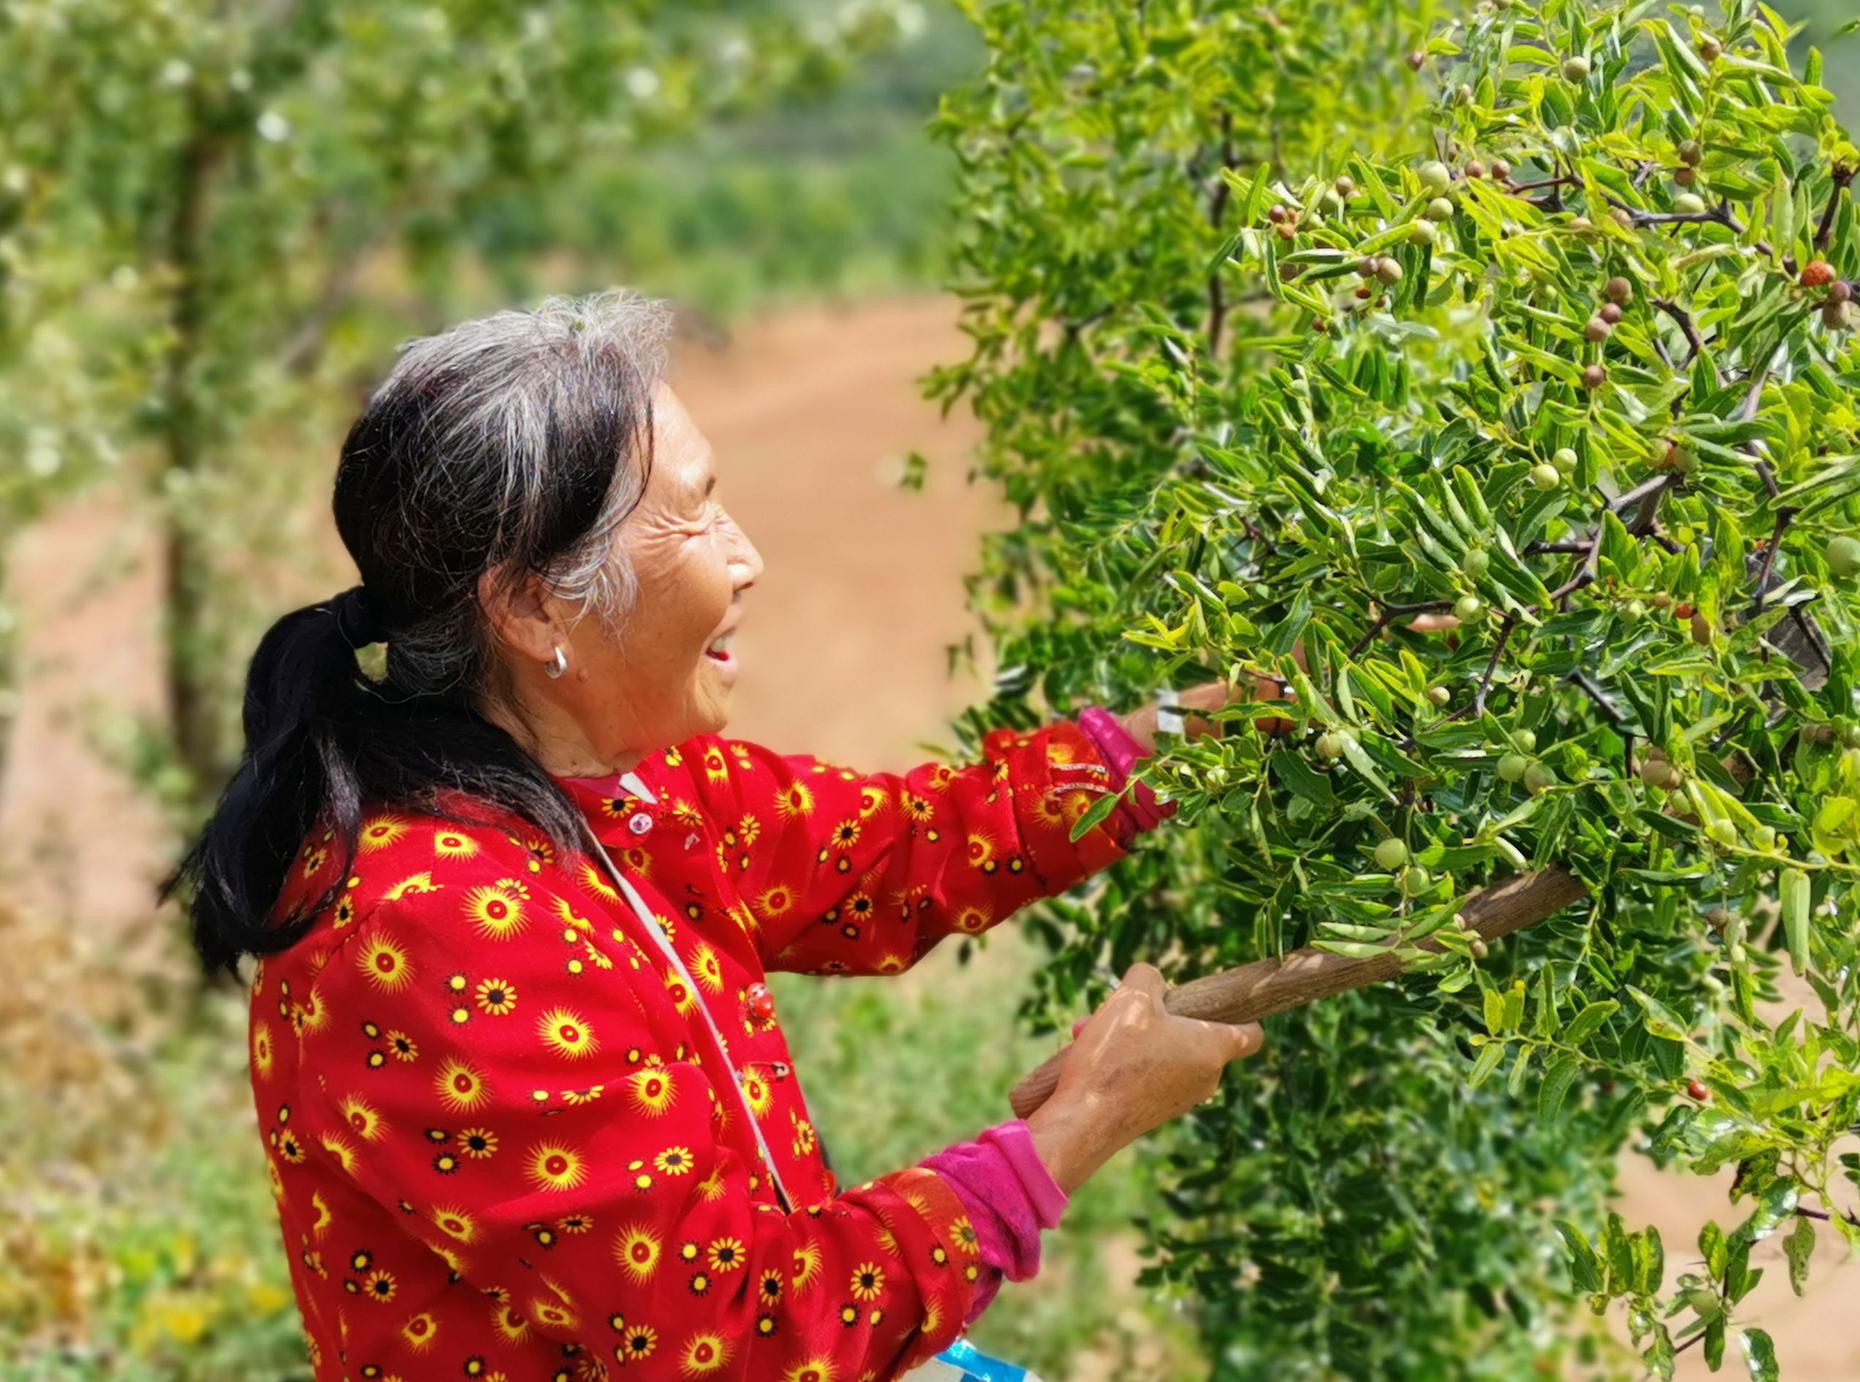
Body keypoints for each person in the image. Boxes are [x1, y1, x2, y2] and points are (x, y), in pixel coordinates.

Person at [165, 291, 1286, 1382]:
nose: (745, 557)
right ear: (534, 607)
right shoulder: (431, 929)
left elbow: (907, 851)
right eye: (695, 515)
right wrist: (1082, 1124)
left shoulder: (631, 786)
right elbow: (744, 1336)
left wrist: (1201, 729)